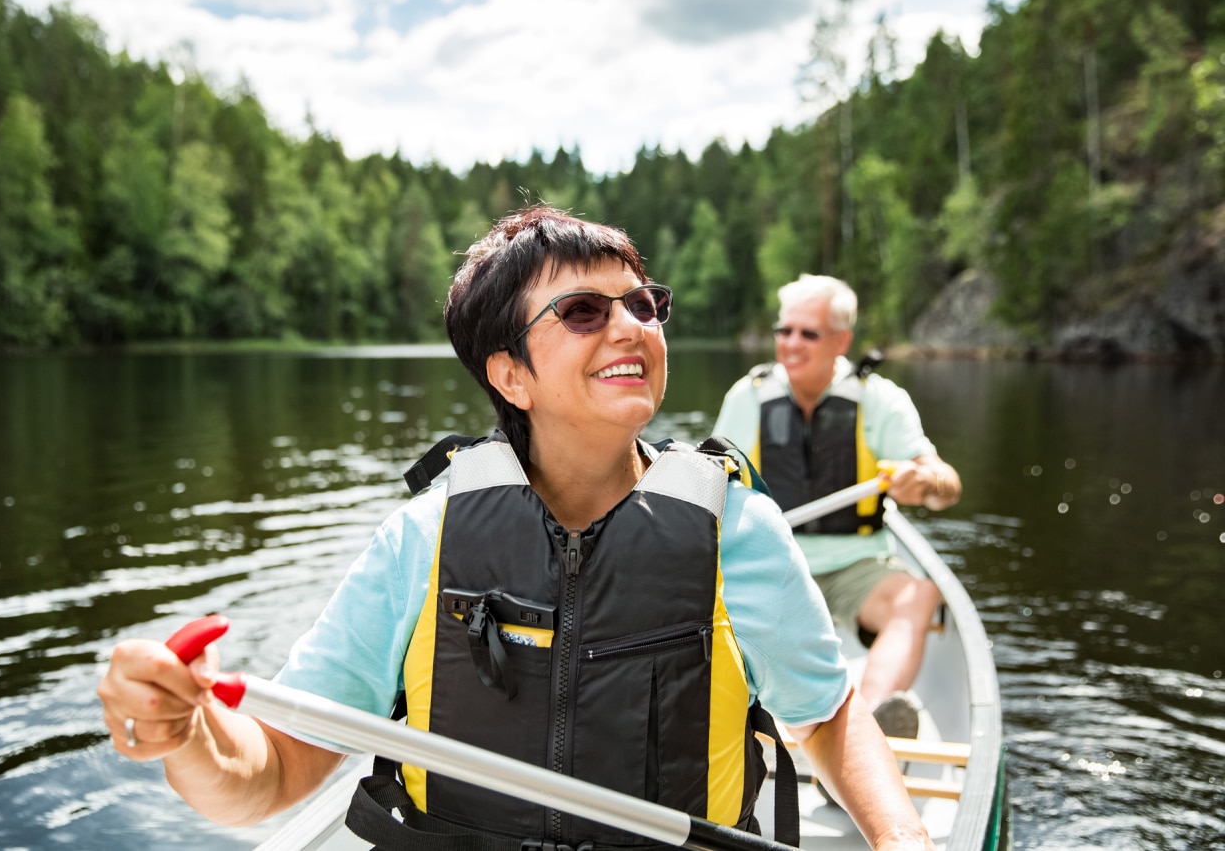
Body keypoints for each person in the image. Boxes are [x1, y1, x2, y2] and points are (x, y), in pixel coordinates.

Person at [97, 209, 934, 851]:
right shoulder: (421, 542)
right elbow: (270, 773)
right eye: (581, 310)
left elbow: (824, 717)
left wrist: (901, 838)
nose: (632, 325)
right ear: (510, 374)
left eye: (644, 303)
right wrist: (189, 733)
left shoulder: (738, 530)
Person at [713, 273, 962, 740]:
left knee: (919, 596)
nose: (791, 344)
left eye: (808, 333)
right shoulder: (748, 397)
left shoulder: (880, 399)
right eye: (784, 331)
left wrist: (924, 480)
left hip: (854, 566)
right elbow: (712, 484)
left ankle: (866, 730)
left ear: (842, 340)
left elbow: (947, 483)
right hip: (770, 560)